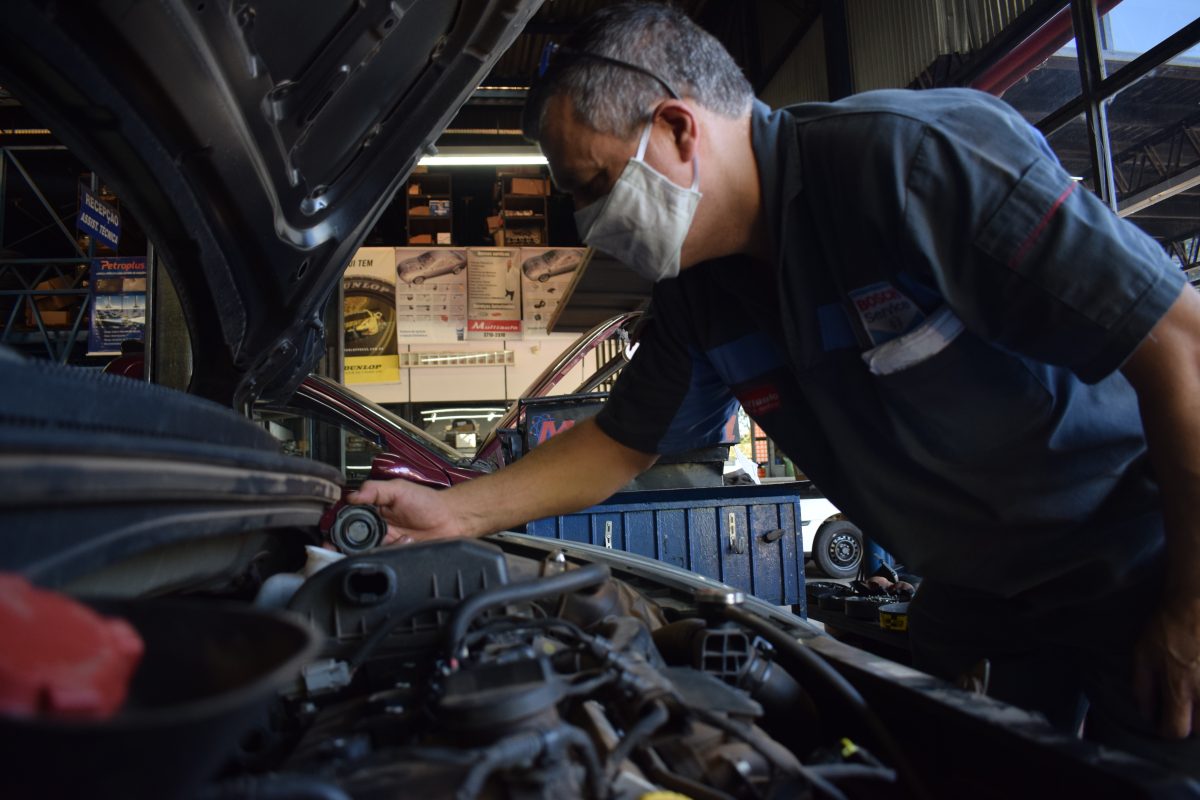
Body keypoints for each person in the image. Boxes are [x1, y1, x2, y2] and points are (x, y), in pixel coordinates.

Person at [350, 2, 1200, 775]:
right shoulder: (698, 296)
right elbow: (621, 443)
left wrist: (1191, 605)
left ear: (679, 127)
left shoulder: (905, 165)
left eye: (595, 187)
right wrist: (452, 512)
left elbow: (1178, 341)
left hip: (1137, 563)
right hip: (981, 598)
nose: (589, 226)